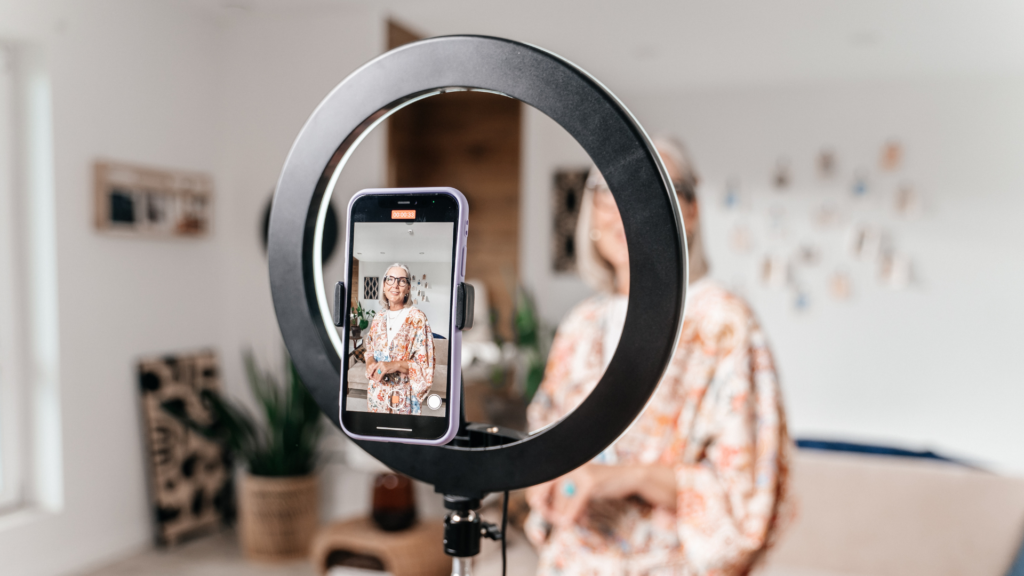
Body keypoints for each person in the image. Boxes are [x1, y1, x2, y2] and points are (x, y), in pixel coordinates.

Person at [525, 138, 791, 576]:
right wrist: (541, 481)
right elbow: (544, 440)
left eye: (656, 187)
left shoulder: (723, 323)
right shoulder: (580, 325)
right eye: (610, 190)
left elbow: (746, 491)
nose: (629, 207)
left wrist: (623, 478)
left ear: (691, 211)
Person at [364, 263, 435, 414]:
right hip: (376, 395)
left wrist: (394, 365)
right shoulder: (378, 318)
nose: (395, 285)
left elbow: (425, 365)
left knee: (402, 430)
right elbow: (369, 348)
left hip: (403, 398)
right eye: (390, 279)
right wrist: (370, 362)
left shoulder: (417, 318)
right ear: (384, 285)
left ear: (408, 288)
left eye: (402, 281)